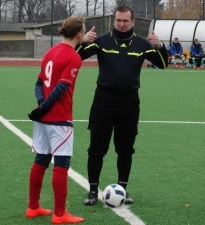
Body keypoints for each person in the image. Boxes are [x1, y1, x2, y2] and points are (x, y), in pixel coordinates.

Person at [75, 5, 168, 206]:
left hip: (129, 103)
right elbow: (76, 57)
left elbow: (162, 63)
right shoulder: (101, 41)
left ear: (133, 22)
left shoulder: (143, 44)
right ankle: (92, 191)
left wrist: (160, 47)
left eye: (126, 21)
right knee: (96, 149)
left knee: (125, 149)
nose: (122, 24)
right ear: (113, 21)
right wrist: (81, 42)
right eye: (118, 20)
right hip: (103, 102)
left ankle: (123, 189)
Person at [26, 16, 85, 224]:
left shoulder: (50, 52)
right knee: (61, 165)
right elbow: (61, 88)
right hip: (59, 119)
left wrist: (41, 106)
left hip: (43, 118)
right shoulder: (74, 57)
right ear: (79, 34)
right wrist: (46, 106)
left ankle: (33, 207)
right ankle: (60, 214)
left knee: (41, 160)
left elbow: (38, 83)